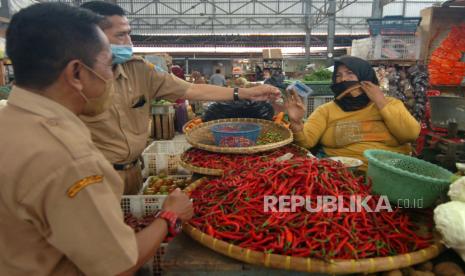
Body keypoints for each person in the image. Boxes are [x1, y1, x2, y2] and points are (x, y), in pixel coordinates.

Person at [0, 3, 193, 275]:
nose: (110, 76)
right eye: (107, 64)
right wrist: (169, 215)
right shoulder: (70, 159)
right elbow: (118, 266)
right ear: (77, 73)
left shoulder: (9, 121)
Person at [80, 1, 281, 195]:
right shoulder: (71, 81)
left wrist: (243, 93)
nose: (130, 43)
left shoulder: (139, 70)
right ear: (92, 37)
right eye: (121, 35)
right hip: (92, 179)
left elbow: (192, 90)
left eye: (129, 34)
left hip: (133, 171)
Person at [286, 56, 420, 170]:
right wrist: (296, 122)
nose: (343, 79)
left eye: (350, 73)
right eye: (338, 75)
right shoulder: (326, 110)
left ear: (365, 77)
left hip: (390, 172)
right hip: (343, 174)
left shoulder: (390, 104)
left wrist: (380, 102)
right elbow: (305, 143)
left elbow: (410, 134)